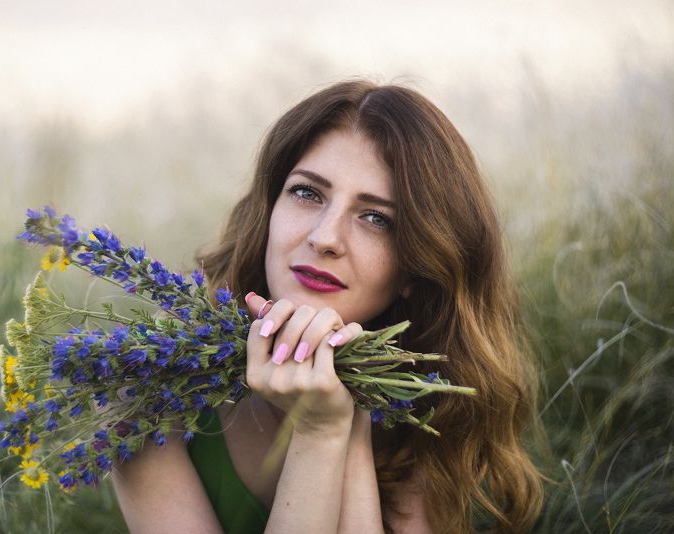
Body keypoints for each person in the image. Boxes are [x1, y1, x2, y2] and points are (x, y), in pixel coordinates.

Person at [111, 79, 544, 533]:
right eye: (307, 192)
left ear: (416, 271)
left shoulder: (432, 402)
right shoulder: (151, 380)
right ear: (269, 207)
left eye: (376, 218)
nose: (325, 237)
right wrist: (319, 437)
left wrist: (343, 430)